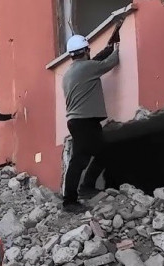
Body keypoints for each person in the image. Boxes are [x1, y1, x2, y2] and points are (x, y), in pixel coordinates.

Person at [61, 27, 121, 213]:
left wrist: (107, 47)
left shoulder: (71, 72)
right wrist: (116, 47)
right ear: (86, 51)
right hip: (84, 121)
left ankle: (85, 188)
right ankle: (70, 200)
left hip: (80, 121)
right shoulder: (88, 68)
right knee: (81, 159)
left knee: (98, 153)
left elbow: (95, 61)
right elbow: (111, 62)